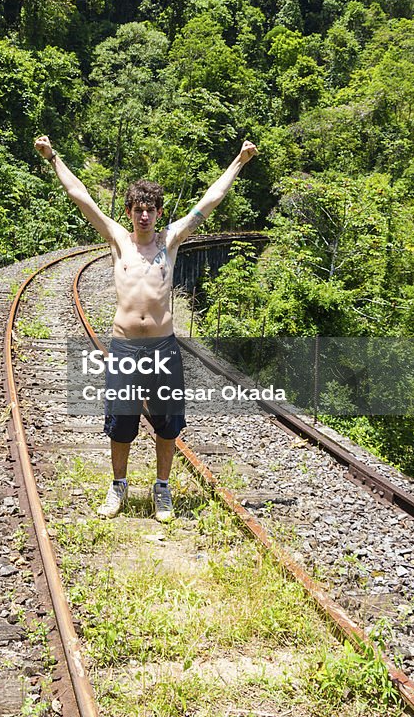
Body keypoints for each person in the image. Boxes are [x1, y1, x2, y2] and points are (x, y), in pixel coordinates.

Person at [33, 135, 259, 521]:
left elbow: (209, 201)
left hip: (162, 348)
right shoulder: (118, 241)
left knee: (168, 424)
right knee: (121, 424)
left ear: (158, 213)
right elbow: (80, 196)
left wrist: (239, 160)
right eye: (138, 210)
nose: (144, 216)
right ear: (129, 212)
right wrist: (52, 157)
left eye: (151, 210)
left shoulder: (170, 241)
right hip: (124, 349)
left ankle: (162, 489)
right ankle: (118, 487)